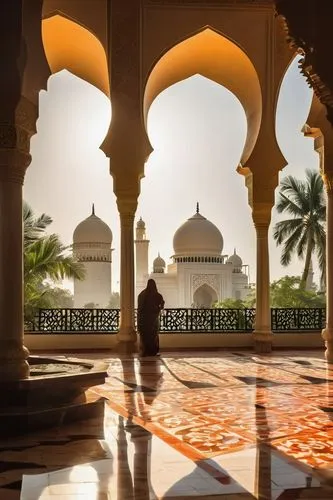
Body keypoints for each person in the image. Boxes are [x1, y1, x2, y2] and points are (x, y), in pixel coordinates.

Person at [137, 279, 164, 357]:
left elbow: (140, 308)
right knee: (153, 336)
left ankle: (145, 351)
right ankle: (152, 352)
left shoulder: (142, 294)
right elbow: (161, 305)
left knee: (145, 335)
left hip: (143, 319)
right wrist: (158, 309)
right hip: (153, 319)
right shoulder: (157, 295)